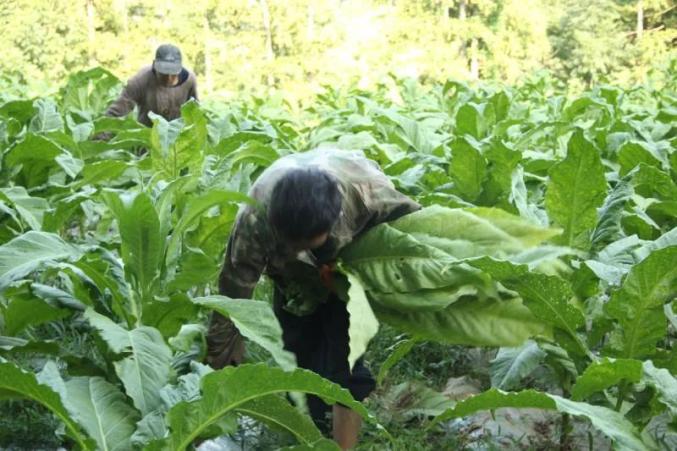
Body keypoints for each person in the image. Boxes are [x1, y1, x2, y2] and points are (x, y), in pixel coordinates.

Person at [206, 148, 420, 449]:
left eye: (306, 244)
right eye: (289, 244)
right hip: (291, 281)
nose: (298, 250)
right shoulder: (254, 222)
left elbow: (416, 234)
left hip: (348, 268)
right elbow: (232, 295)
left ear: (329, 224)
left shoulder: (369, 195)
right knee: (297, 352)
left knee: (347, 364)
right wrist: (219, 365)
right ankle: (308, 431)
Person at [104, 43, 198, 126]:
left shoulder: (189, 81)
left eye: (173, 74)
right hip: (147, 139)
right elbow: (116, 113)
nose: (169, 78)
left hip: (179, 140)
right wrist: (99, 140)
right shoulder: (140, 80)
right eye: (164, 74)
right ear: (155, 66)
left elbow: (195, 112)